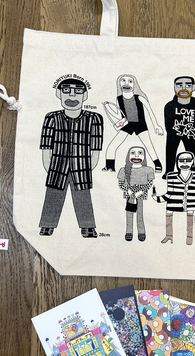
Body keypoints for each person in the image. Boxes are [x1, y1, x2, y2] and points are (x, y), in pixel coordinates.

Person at [38, 76, 103, 238]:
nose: (72, 95)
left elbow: (96, 147)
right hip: (57, 164)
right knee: (53, 194)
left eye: (78, 91)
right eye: (66, 91)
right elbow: (46, 146)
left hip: (82, 164)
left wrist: (89, 165)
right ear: (59, 94)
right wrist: (49, 166)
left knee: (83, 195)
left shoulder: (94, 119)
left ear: (85, 96)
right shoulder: (51, 118)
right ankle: (47, 225)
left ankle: (88, 227)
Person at [102, 74, 163, 173]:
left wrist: (156, 126)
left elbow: (150, 111)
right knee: (113, 145)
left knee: (149, 145)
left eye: (130, 81)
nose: (126, 84)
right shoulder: (119, 99)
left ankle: (158, 164)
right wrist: (108, 107)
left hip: (140, 124)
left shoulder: (139, 97)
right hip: (127, 125)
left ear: (135, 84)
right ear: (119, 84)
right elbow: (118, 114)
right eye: (123, 81)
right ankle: (109, 166)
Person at [152, 151, 195, 245]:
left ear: (193, 162)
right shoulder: (171, 176)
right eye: (181, 160)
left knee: (190, 219)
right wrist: (158, 199)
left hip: (191, 203)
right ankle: (169, 236)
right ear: (177, 162)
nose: (185, 163)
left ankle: (189, 238)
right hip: (173, 202)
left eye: (188, 160)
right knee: (169, 213)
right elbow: (170, 193)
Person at [163, 76, 195, 177]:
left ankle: (192, 170)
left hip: (191, 134)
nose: (183, 88)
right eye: (179, 85)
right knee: (171, 149)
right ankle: (169, 171)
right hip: (173, 134)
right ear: (174, 87)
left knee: (192, 151)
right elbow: (168, 126)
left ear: (193, 87)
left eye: (188, 85)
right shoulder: (169, 106)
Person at [117, 146, 155, 242]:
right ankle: (129, 232)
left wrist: (141, 192)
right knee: (129, 213)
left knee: (140, 213)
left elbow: (149, 183)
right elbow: (120, 184)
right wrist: (128, 191)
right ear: (128, 156)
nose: (136, 156)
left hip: (141, 193)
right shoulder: (123, 170)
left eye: (140, 153)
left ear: (144, 156)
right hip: (129, 193)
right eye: (133, 153)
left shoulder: (148, 169)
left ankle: (141, 232)